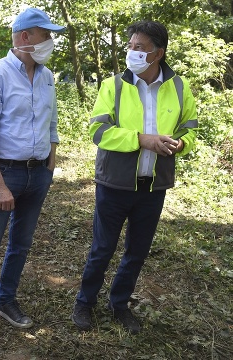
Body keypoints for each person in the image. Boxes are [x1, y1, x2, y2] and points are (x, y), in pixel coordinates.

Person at [71, 20, 198, 334]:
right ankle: (85, 302)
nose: (131, 52)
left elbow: (191, 131)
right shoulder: (113, 86)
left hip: (154, 187)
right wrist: (141, 139)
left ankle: (119, 303)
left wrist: (181, 144)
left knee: (137, 251)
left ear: (158, 53)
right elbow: (98, 132)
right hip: (115, 184)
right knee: (102, 248)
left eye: (139, 48)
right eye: (130, 46)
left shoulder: (180, 87)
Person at [0, 8, 65, 342]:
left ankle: (5, 302)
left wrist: (51, 162)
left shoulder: (47, 75)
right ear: (24, 37)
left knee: (20, 246)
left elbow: (51, 122)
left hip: (38, 176)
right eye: (44, 35)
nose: (50, 41)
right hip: (5, 175)